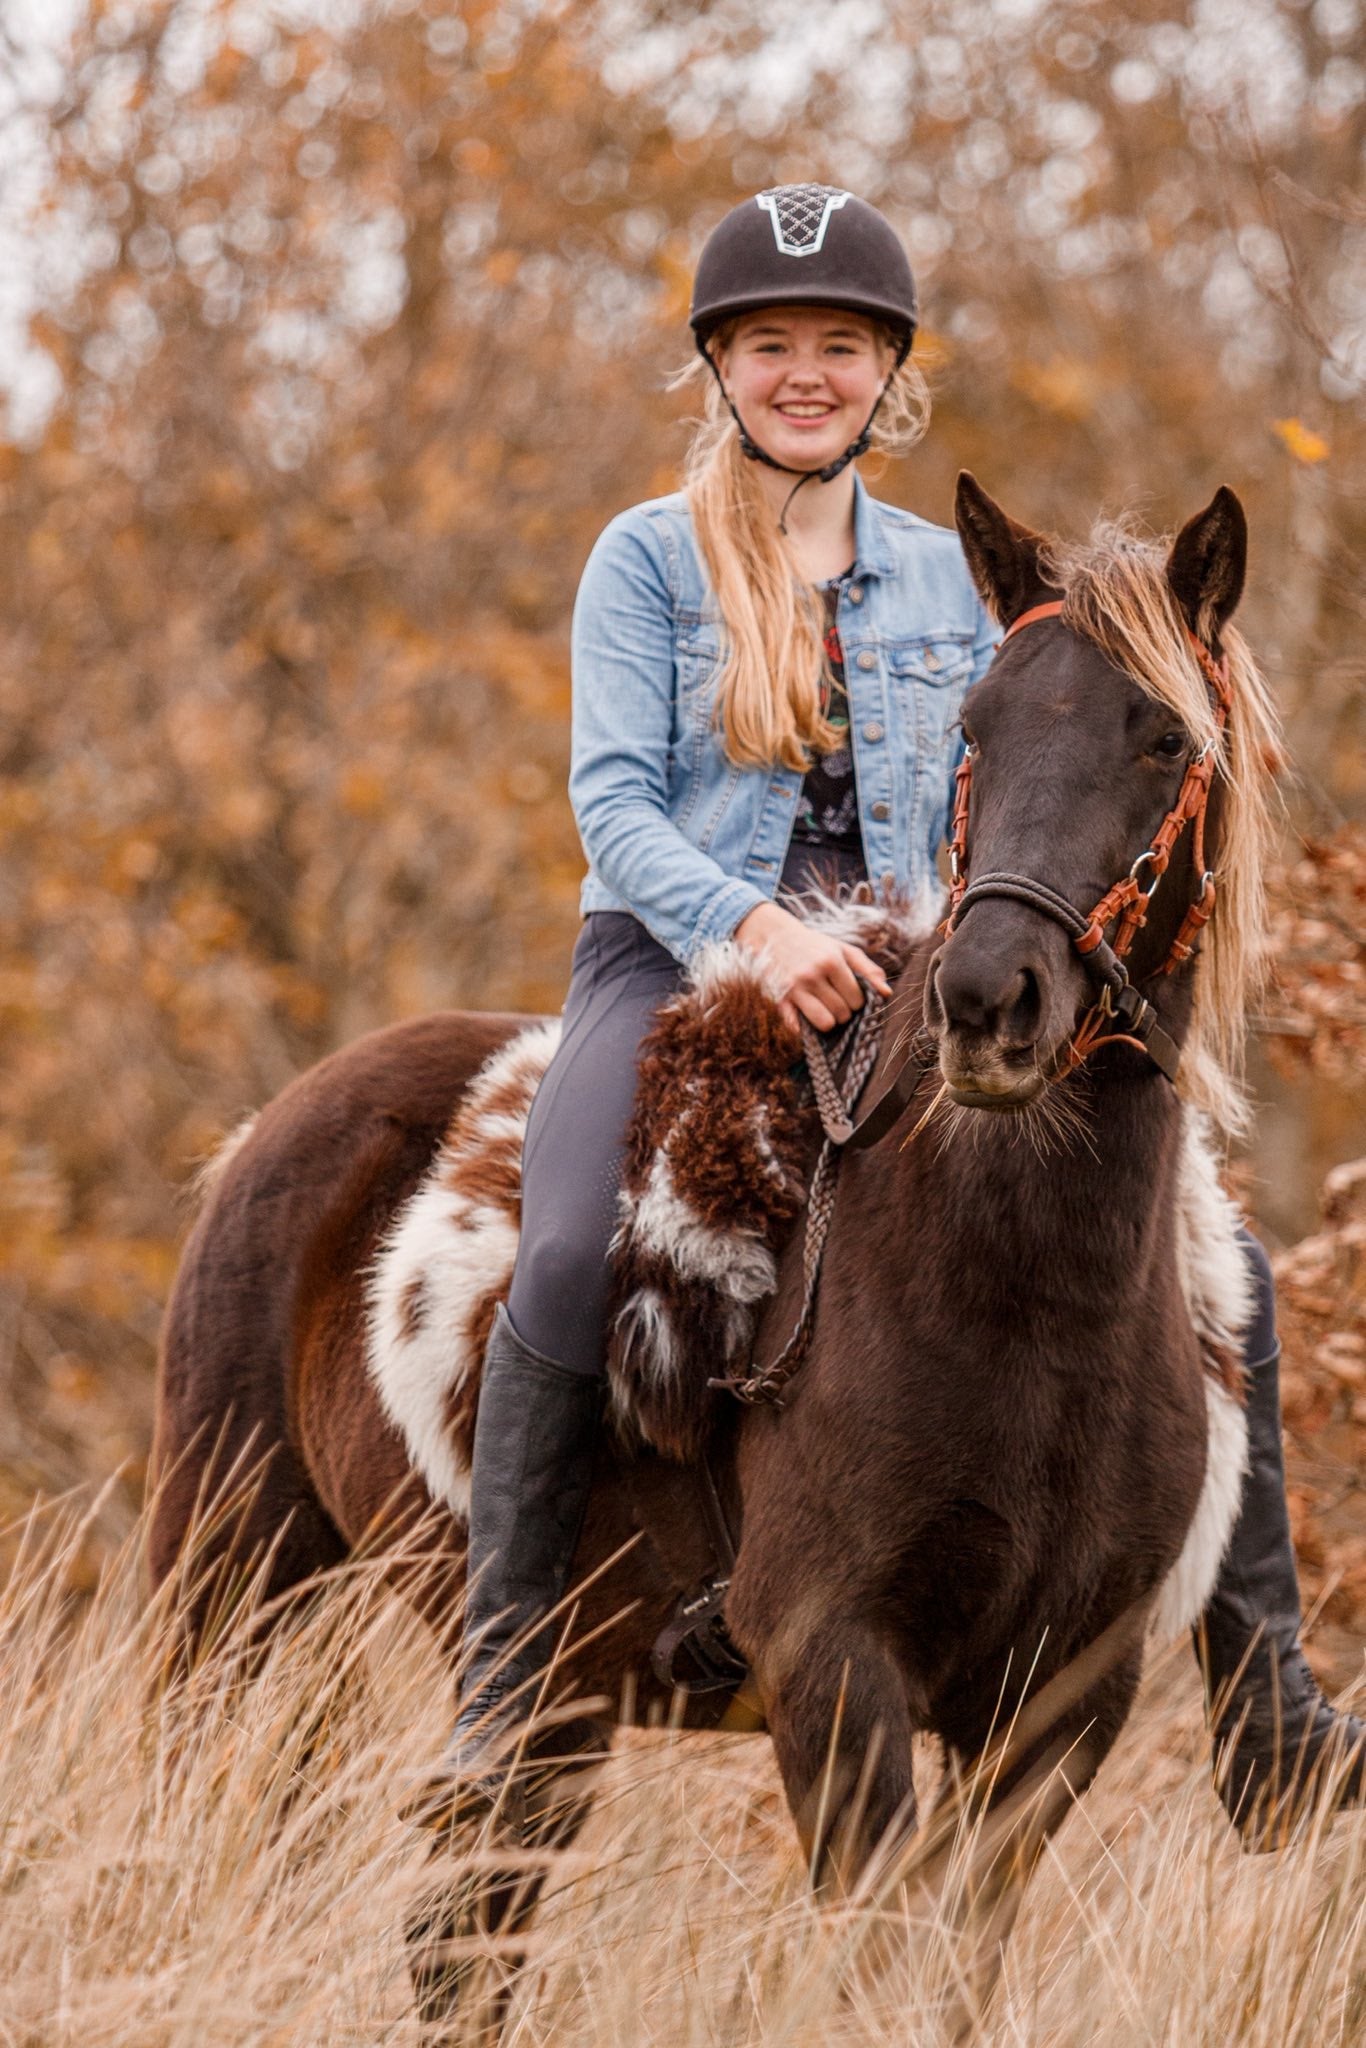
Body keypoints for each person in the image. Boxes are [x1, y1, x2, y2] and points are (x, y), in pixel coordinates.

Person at [440, 184, 1364, 1839]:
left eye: (841, 348)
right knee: (576, 1242)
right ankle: (502, 1689)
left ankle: (1268, 1702)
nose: (807, 374)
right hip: (672, 959)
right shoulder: (645, 561)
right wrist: (749, 930)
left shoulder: (959, 578)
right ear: (721, 364)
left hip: (911, 963)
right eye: (772, 345)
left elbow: (1030, 780)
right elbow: (613, 806)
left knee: (1211, 1255)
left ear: (889, 373)